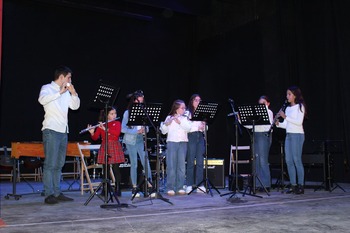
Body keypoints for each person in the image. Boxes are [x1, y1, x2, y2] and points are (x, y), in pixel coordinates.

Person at [38, 66, 80, 204]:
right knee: (50, 163)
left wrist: (73, 94)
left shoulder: (67, 92)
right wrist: (59, 93)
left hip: (63, 131)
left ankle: (57, 192)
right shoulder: (47, 88)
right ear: (61, 77)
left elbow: (75, 107)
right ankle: (48, 194)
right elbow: (42, 100)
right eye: (69, 77)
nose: (70, 80)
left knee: (59, 163)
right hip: (51, 130)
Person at [121, 90, 153, 198]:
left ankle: (150, 185)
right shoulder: (127, 112)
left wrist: (145, 129)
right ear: (134, 101)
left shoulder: (143, 111)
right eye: (139, 101)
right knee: (134, 163)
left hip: (140, 139)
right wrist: (135, 131)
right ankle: (134, 187)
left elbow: (148, 126)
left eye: (142, 101)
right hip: (130, 140)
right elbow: (123, 128)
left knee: (146, 161)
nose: (141, 103)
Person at [276, 86, 307, 194]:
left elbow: (298, 122)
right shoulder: (288, 108)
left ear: (295, 95)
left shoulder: (300, 107)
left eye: (289, 94)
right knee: (288, 161)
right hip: (289, 135)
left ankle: (301, 185)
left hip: (297, 135)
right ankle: (293, 185)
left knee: (296, 160)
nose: (287, 96)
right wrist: (278, 124)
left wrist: (285, 117)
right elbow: (286, 125)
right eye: (287, 94)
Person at [88, 106, 125, 196]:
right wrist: (92, 132)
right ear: (107, 115)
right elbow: (95, 138)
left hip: (114, 145)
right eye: (112, 114)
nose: (114, 115)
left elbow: (116, 133)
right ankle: (105, 189)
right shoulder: (102, 125)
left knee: (116, 169)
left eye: (115, 113)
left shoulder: (117, 123)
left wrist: (106, 129)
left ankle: (118, 189)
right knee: (106, 169)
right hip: (105, 146)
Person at [160, 99, 192, 195]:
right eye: (182, 108)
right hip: (172, 143)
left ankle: (180, 186)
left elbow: (189, 128)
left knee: (181, 166)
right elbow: (163, 131)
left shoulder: (185, 118)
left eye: (184, 108)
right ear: (176, 109)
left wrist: (180, 122)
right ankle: (170, 187)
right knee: (171, 165)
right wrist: (167, 124)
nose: (184, 109)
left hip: (182, 143)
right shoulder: (169, 117)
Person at [251, 95, 274, 192]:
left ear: (268, 104)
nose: (261, 105)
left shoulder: (269, 112)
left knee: (263, 160)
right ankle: (257, 183)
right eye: (259, 103)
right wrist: (240, 119)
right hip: (255, 135)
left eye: (263, 103)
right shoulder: (256, 113)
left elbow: (266, 125)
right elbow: (250, 126)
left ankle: (266, 184)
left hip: (264, 136)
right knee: (256, 160)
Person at [185, 94, 206, 194]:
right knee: (190, 161)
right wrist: (196, 127)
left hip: (200, 136)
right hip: (192, 136)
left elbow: (206, 128)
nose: (198, 102)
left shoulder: (203, 113)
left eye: (199, 100)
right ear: (192, 102)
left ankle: (200, 184)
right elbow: (187, 127)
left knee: (200, 162)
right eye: (196, 100)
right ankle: (189, 184)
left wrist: (204, 126)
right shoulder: (188, 113)